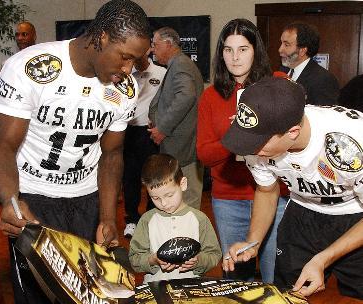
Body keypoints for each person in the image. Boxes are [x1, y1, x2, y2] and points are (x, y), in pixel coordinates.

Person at [0, 0, 151, 304]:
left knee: (91, 298)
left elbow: (111, 154)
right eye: (126, 58)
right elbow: (4, 145)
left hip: (86, 199)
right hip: (36, 198)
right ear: (104, 37)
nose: (128, 70)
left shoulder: (124, 89)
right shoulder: (31, 67)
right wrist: (12, 202)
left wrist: (108, 217)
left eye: (135, 62)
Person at [222, 76, 363, 299]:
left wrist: (322, 258)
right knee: (288, 298)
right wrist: (252, 242)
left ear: (293, 132)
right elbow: (267, 190)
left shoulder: (352, 139)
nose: (252, 150)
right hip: (302, 214)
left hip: (355, 216)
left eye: (259, 143)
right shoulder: (257, 143)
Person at [197, 18, 288, 282]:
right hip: (228, 199)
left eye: (243, 49)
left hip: (275, 196)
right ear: (220, 53)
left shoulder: (276, 85)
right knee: (235, 280)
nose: (235, 57)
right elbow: (204, 154)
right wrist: (235, 136)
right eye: (228, 49)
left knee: (275, 277)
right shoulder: (211, 96)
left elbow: (293, 138)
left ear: (255, 50)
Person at [129, 153, 222, 283]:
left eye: (169, 195)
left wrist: (198, 261)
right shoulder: (147, 220)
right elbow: (134, 258)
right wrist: (152, 260)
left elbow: (214, 254)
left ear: (183, 184)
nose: (164, 203)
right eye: (155, 198)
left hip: (191, 288)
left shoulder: (199, 219)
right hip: (156, 288)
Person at [148, 27, 204, 210]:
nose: (152, 50)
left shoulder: (180, 64)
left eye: (155, 45)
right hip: (180, 148)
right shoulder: (178, 64)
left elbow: (186, 96)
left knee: (187, 201)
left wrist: (162, 127)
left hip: (183, 149)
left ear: (168, 44)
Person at [123, 49, 166, 238]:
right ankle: (132, 219)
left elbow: (168, 102)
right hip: (127, 131)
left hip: (148, 133)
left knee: (151, 177)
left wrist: (161, 123)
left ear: (148, 50)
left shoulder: (161, 73)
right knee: (129, 178)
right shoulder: (125, 75)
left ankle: (151, 218)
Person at [278, 22, 339, 105]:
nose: (280, 49)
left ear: (302, 50)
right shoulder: (282, 71)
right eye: (281, 43)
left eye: (286, 45)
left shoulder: (323, 80)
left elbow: (323, 115)